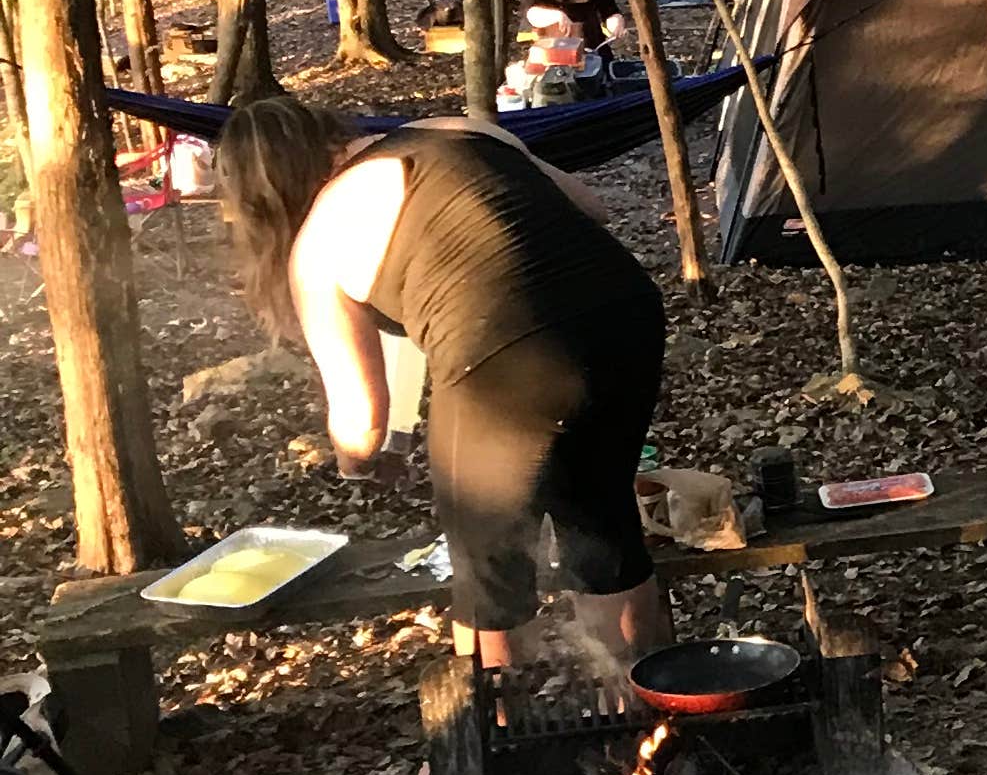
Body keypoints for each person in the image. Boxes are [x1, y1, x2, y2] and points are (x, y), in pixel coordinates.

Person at [218, 92, 670, 677]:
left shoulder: (316, 244)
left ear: (261, 204)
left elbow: (363, 421)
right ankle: (647, 703)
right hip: (626, 317)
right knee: (602, 520)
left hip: (500, 356)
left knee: (488, 565)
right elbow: (592, 206)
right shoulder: (452, 127)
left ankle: (498, 732)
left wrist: (355, 461)